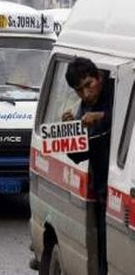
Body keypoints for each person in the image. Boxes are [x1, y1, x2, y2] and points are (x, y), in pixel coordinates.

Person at [62, 57, 112, 275]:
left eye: (88, 86)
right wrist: (69, 131)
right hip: (103, 192)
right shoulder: (84, 108)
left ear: (99, 77)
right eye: (79, 91)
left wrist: (102, 117)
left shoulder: (116, 92)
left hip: (120, 185)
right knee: (104, 256)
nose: (86, 94)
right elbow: (79, 154)